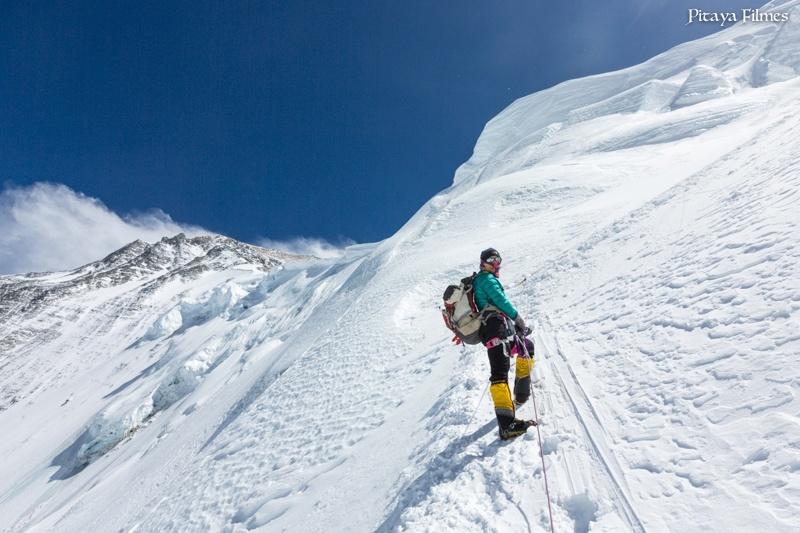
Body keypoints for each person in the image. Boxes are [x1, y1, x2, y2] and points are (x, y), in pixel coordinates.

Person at [473, 247, 535, 440]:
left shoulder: (483, 279)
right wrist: (518, 319)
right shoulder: (486, 279)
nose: (495, 263)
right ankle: (507, 426)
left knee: (527, 347)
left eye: (498, 260)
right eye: (491, 260)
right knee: (499, 374)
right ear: (483, 263)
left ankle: (521, 394)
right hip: (494, 330)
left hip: (498, 329)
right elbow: (500, 301)